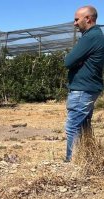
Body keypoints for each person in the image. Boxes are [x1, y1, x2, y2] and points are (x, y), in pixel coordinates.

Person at [64, 5, 104, 161]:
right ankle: (86, 158)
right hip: (89, 88)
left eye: (76, 19)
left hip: (82, 89)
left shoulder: (90, 37)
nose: (74, 23)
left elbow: (68, 61)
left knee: (73, 126)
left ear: (88, 18)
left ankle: (73, 160)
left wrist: (77, 62)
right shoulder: (97, 35)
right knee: (83, 125)